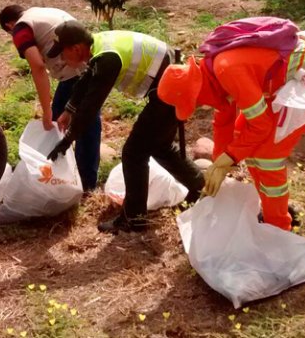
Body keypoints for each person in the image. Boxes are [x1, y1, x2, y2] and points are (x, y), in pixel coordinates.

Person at [157, 37, 305, 231]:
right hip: (282, 84)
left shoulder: (226, 70)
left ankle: (278, 226)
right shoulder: (212, 75)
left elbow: (261, 126)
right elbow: (224, 122)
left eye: (195, 101)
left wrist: (228, 158)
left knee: (268, 154)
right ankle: (270, 209)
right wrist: (220, 165)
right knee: (243, 135)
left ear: (196, 89)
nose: (200, 105)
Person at [45, 21, 205, 233]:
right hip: (171, 81)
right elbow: (86, 80)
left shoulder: (108, 58)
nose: (62, 60)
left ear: (76, 48)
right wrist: (69, 109)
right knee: (160, 147)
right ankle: (200, 188)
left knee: (133, 153)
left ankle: (134, 218)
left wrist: (67, 141)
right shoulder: (98, 47)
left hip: (173, 85)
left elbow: (92, 106)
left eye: (63, 54)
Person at [0, 5, 101, 191]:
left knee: (79, 123)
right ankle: (62, 174)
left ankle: (83, 183)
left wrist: (45, 111)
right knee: (62, 122)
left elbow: (37, 66)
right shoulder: (41, 12)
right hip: (82, 63)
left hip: (76, 70)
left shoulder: (20, 29)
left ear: (9, 25)